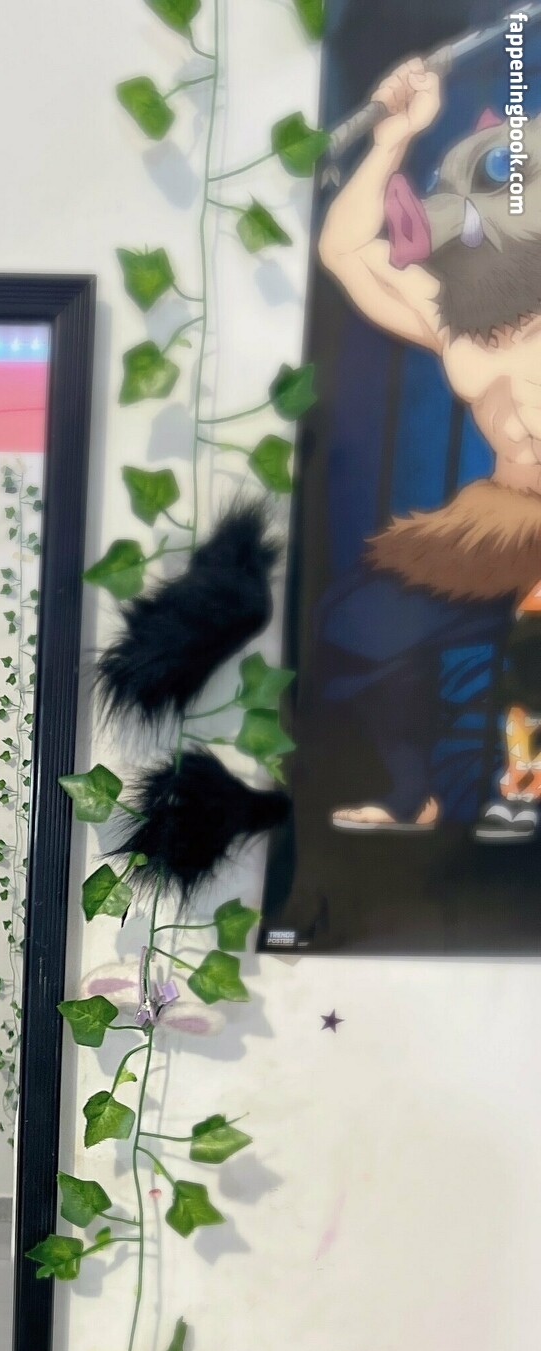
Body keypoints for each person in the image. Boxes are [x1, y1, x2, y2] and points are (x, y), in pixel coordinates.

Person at [314, 56, 541, 838]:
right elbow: (346, 253)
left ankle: (517, 796)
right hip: (500, 520)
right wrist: (393, 140)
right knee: (355, 625)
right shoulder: (461, 307)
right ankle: (415, 794)